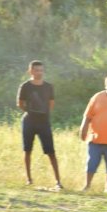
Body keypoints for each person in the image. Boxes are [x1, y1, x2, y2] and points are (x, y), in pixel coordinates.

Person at [17, 60, 62, 189]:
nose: (39, 73)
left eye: (41, 70)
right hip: (29, 121)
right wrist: (30, 112)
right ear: (30, 71)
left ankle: (58, 181)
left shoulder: (48, 86)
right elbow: (20, 103)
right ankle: (29, 179)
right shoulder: (25, 86)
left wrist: (43, 114)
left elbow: (51, 104)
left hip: (44, 122)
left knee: (51, 152)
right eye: (36, 70)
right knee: (27, 150)